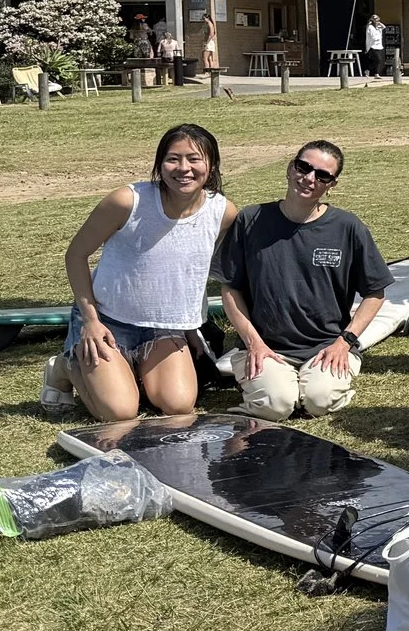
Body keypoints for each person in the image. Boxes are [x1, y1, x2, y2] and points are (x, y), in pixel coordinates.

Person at [54, 124, 237, 420]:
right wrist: (90, 321)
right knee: (120, 411)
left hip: (164, 327)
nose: (184, 168)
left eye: (194, 159)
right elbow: (75, 255)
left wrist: (189, 325)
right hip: (107, 319)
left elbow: (189, 271)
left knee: (178, 405)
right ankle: (65, 365)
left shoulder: (223, 212)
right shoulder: (127, 201)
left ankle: (129, 370)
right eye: (173, 159)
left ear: (212, 165)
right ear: (159, 164)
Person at [214, 140, 390, 421]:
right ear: (290, 168)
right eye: (303, 167)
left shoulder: (348, 227)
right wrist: (254, 343)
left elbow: (375, 293)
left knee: (319, 400)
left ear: (332, 184)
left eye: (322, 175)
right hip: (266, 346)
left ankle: (312, 386)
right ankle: (274, 385)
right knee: (275, 406)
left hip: (326, 346)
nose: (309, 178)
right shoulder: (251, 220)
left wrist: (344, 343)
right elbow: (230, 288)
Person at [363, 12, 387, 77]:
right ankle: (369, 70)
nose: (377, 22)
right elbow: (373, 36)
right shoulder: (370, 27)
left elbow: (384, 27)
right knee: (378, 59)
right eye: (376, 21)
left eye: (378, 20)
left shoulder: (378, 26)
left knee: (376, 61)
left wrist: (379, 23)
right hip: (372, 46)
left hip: (379, 46)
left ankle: (375, 73)